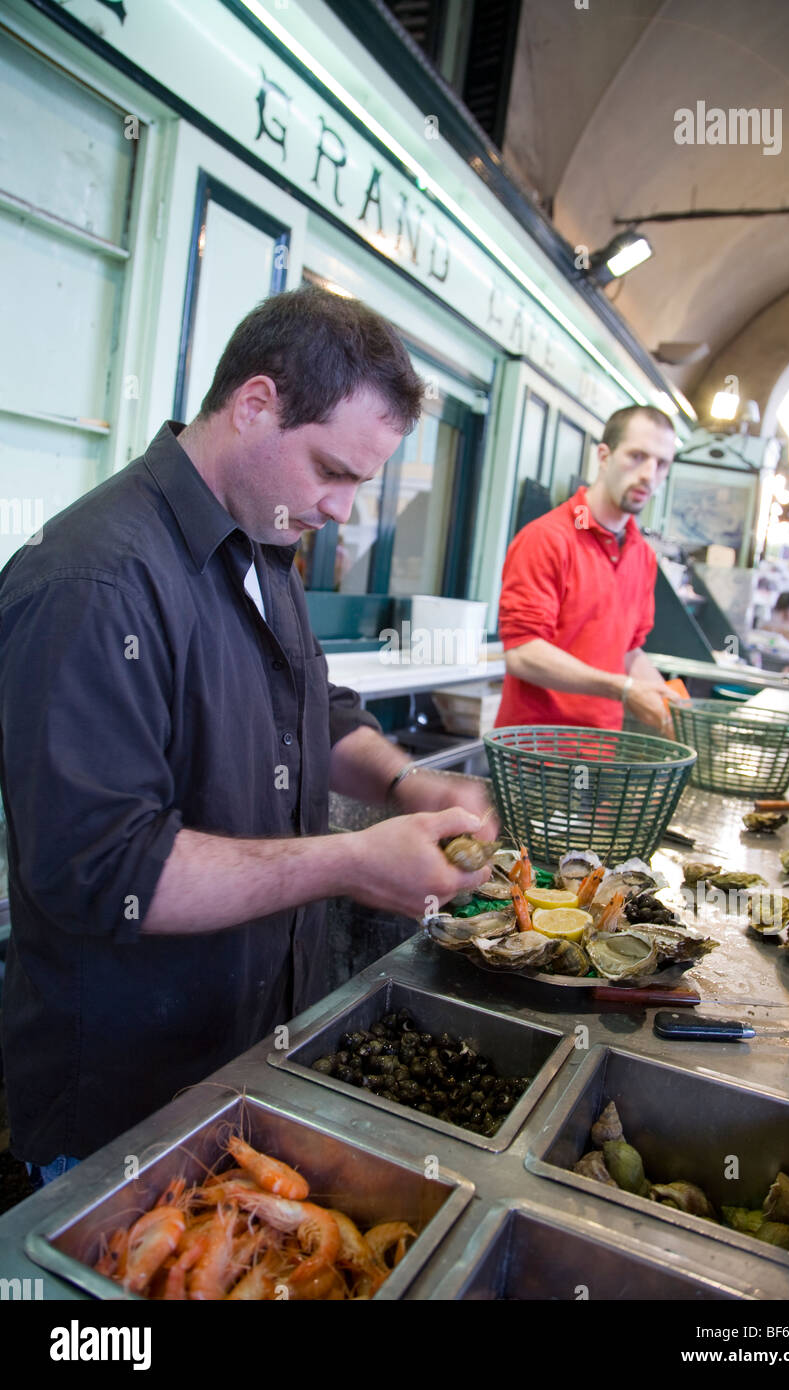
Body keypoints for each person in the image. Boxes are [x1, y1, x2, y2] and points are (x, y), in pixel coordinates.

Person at [0, 287, 495, 1181]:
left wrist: (404, 785)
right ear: (255, 404)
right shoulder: (93, 583)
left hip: (252, 1055)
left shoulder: (264, 539)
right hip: (126, 1105)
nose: (343, 509)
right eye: (334, 472)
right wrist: (350, 862)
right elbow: (107, 874)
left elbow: (318, 705)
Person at [495, 405, 677, 734]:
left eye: (662, 463)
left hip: (600, 749)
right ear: (604, 456)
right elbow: (523, 653)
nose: (649, 475)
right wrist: (622, 688)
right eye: (637, 456)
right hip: (534, 754)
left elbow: (626, 650)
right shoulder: (548, 538)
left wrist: (679, 713)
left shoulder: (642, 556)